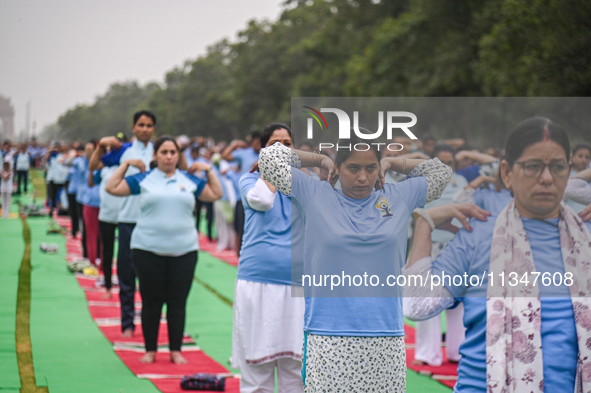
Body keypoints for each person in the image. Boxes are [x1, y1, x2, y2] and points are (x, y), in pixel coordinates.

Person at [404, 117, 591, 393]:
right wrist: (424, 224)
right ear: (507, 173)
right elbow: (415, 305)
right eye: (533, 166)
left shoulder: (584, 240)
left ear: (569, 171)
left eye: (557, 167)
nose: (547, 178)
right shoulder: (479, 234)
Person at [257, 132, 452, 391]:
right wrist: (320, 160)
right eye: (353, 168)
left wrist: (392, 163)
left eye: (370, 168)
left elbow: (441, 171)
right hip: (328, 338)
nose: (362, 177)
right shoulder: (314, 194)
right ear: (339, 167)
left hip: (386, 338)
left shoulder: (398, 197)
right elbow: (269, 158)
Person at [106, 136, 222, 364]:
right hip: (147, 249)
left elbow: (215, 194)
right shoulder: (144, 179)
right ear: (155, 155)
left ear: (178, 155)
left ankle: (175, 350)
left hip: (184, 251)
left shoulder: (188, 180)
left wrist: (209, 170)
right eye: (164, 152)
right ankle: (150, 350)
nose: (168, 156)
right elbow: (112, 188)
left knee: (177, 302)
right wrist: (126, 164)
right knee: (151, 301)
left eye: (173, 152)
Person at [231, 123, 305, 393]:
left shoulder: (304, 184)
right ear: (262, 150)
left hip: (298, 285)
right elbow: (262, 201)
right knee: (257, 371)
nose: (282, 149)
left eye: (287, 144)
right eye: (275, 144)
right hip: (257, 283)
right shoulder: (249, 180)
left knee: (295, 370)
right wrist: (272, 168)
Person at [90, 110, 157, 338]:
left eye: (149, 126)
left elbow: (182, 168)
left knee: (151, 277)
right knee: (127, 275)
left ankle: (150, 323)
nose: (145, 129)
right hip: (128, 220)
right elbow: (94, 165)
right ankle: (127, 323)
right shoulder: (123, 151)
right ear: (134, 127)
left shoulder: (161, 151)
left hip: (153, 220)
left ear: (153, 129)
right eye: (141, 125)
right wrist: (101, 145)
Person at [222, 132, 262, 254]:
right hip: (243, 198)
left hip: (261, 198)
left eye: (260, 142)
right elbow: (225, 156)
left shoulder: (266, 155)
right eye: (255, 141)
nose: (257, 144)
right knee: (240, 228)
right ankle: (239, 254)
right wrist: (235, 146)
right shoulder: (245, 153)